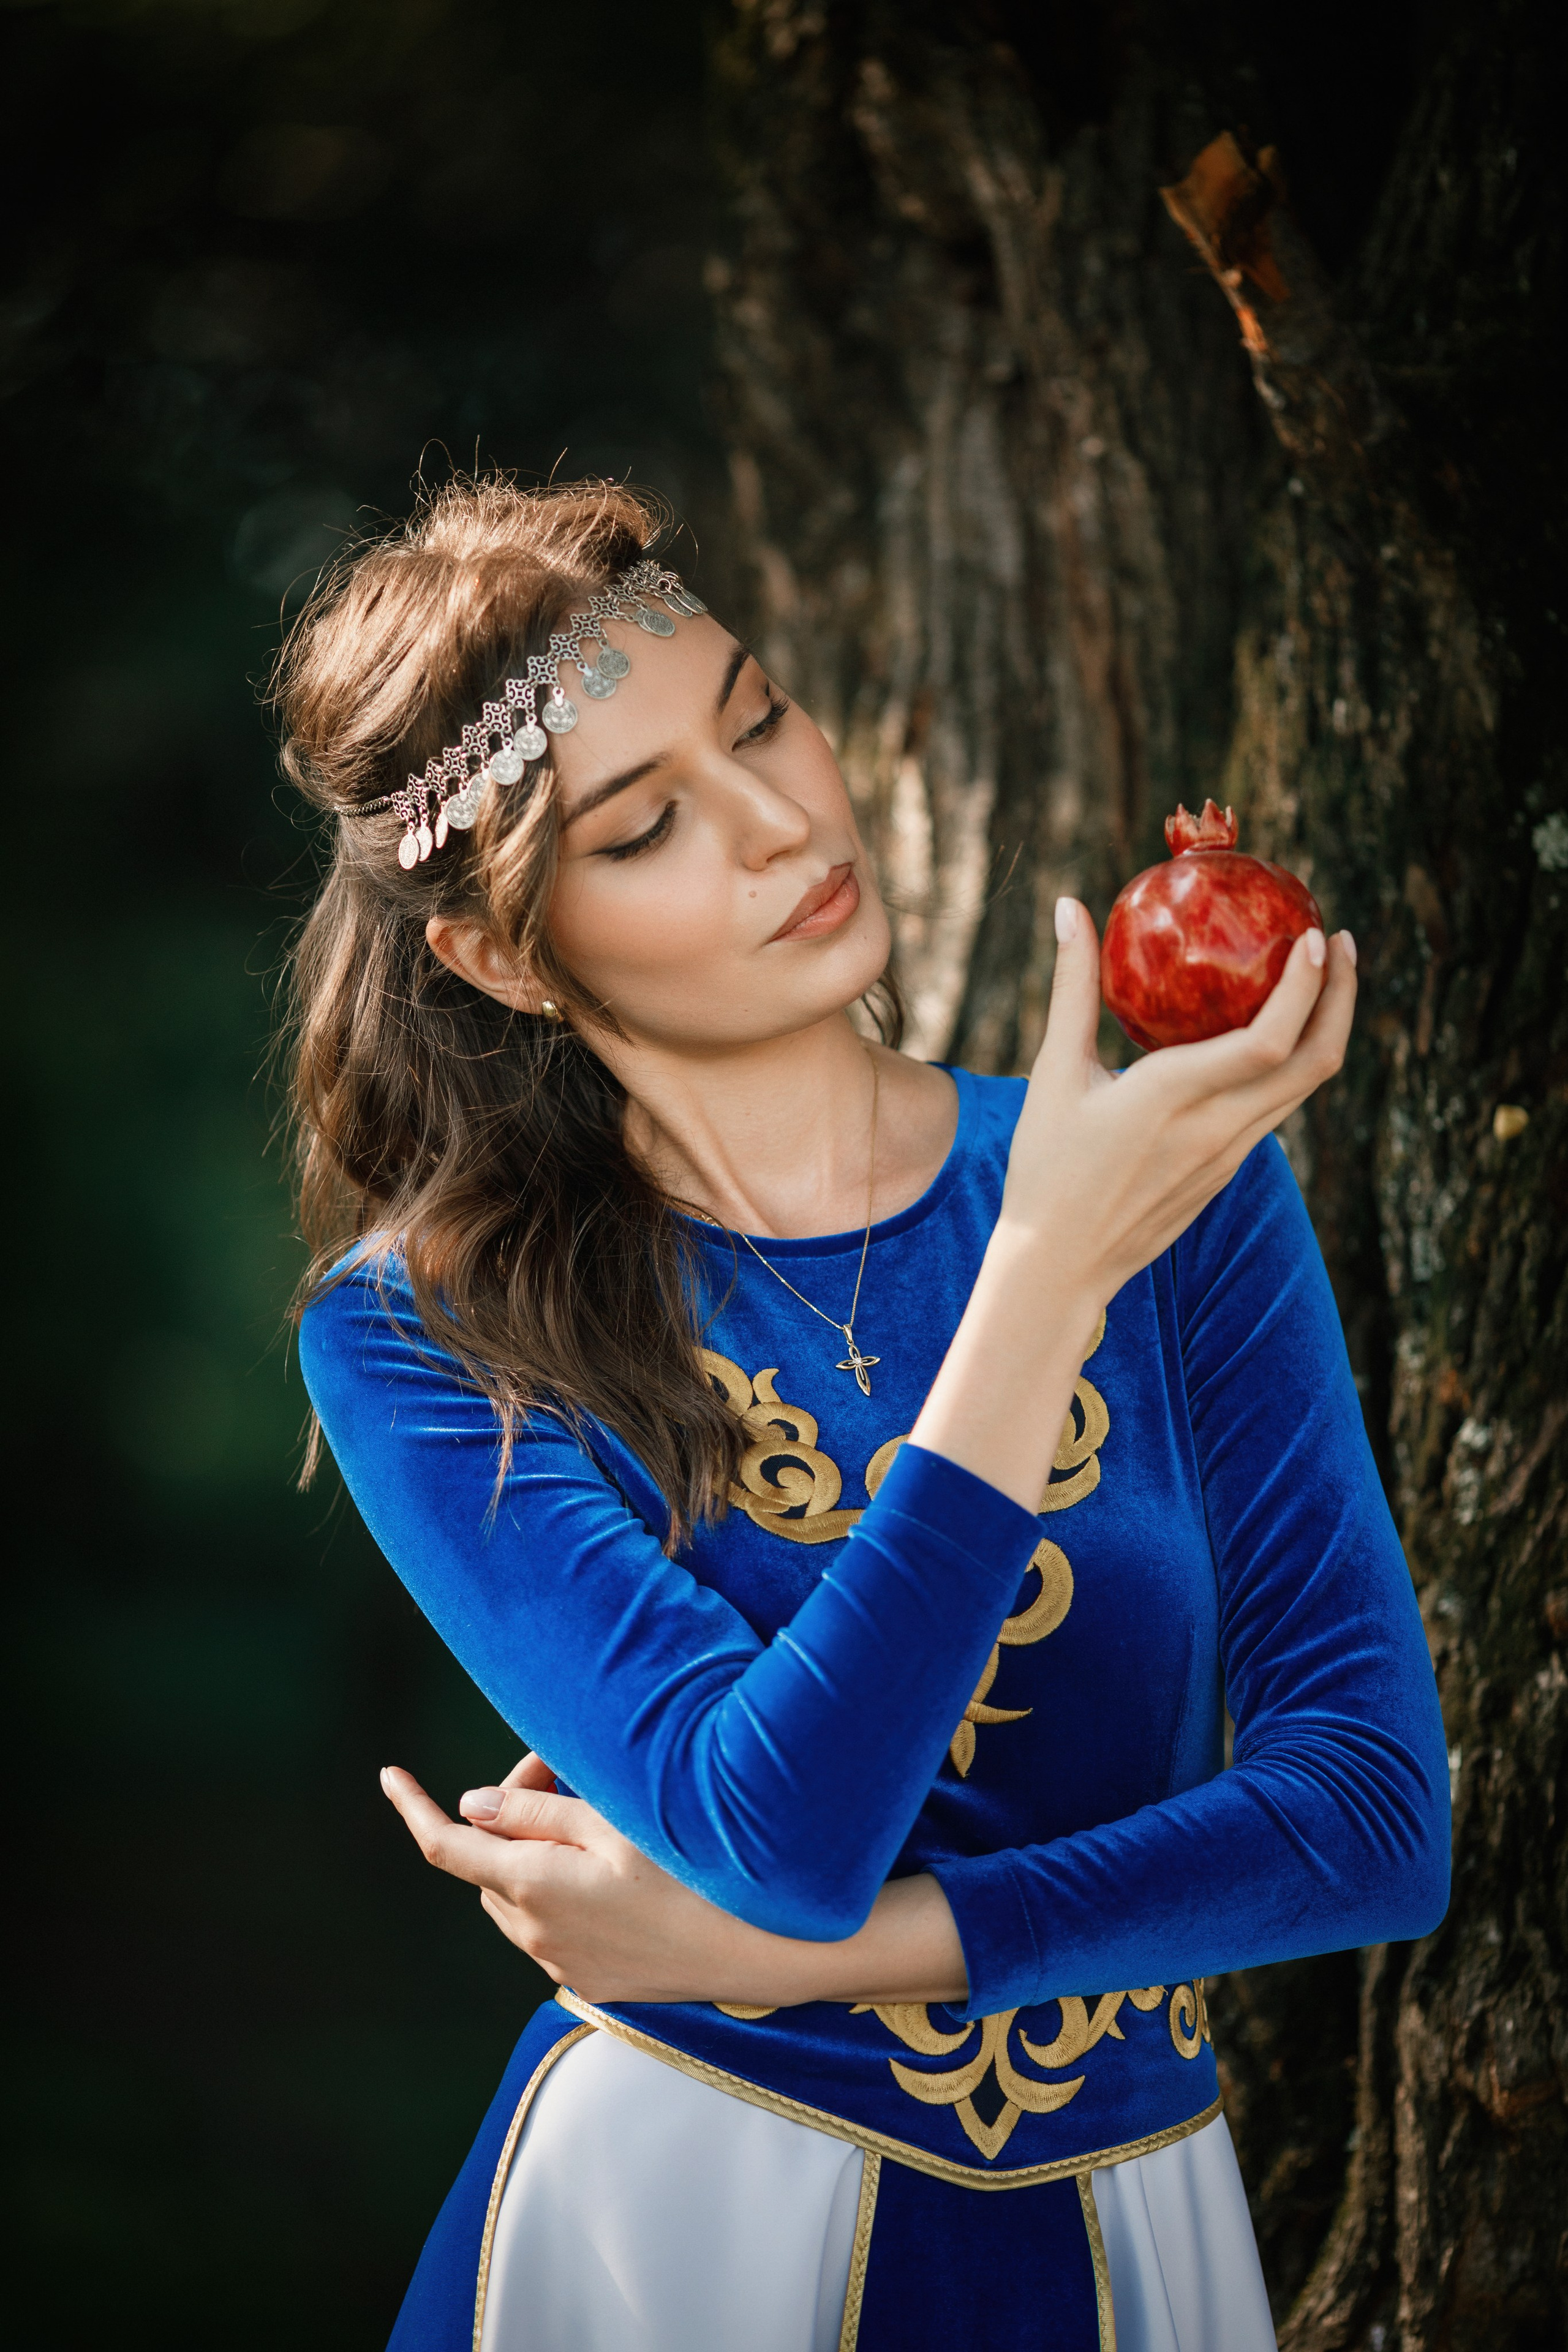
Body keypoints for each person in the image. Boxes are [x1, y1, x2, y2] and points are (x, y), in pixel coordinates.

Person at [281, 477, 1449, 2352]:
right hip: (687, 2227)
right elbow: (783, 1826)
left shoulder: (1178, 1184)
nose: (776, 823)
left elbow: (1373, 1819)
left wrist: (790, 1956)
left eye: (758, 718)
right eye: (648, 826)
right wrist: (1046, 1276)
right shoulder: (424, 1332)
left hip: (1135, 2228)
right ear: (501, 957)